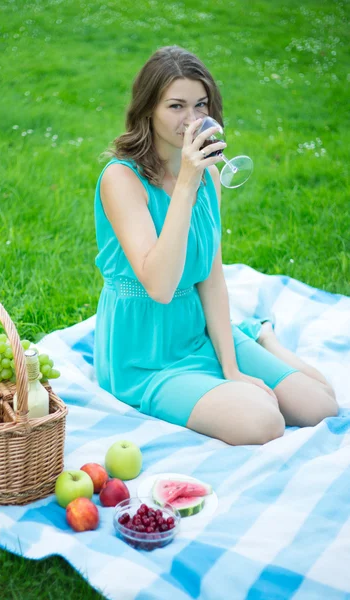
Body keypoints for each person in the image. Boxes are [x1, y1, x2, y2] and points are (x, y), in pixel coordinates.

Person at [93, 46, 338, 445]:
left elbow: (210, 276)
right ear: (147, 110)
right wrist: (186, 182)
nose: (191, 120)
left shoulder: (208, 179)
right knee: (265, 422)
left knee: (320, 406)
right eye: (175, 106)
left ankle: (260, 336)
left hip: (198, 330)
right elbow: (160, 286)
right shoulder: (121, 180)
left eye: (200, 105)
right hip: (145, 354)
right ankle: (256, 342)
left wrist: (231, 366)